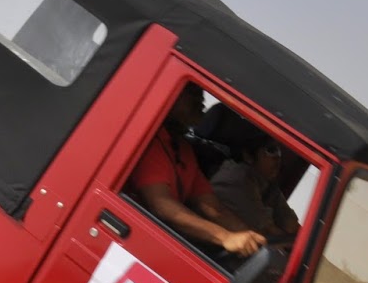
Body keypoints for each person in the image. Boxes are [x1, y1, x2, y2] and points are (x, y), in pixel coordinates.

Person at [128, 84, 265, 257]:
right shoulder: (150, 141)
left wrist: (251, 238)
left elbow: (213, 209)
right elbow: (161, 204)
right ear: (171, 96)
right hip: (135, 242)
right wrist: (225, 237)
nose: (201, 100)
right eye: (193, 93)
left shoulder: (184, 149)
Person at [211, 134, 300, 242]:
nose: (278, 157)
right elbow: (268, 233)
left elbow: (292, 226)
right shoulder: (235, 180)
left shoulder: (267, 184)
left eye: (279, 151)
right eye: (271, 150)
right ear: (248, 156)